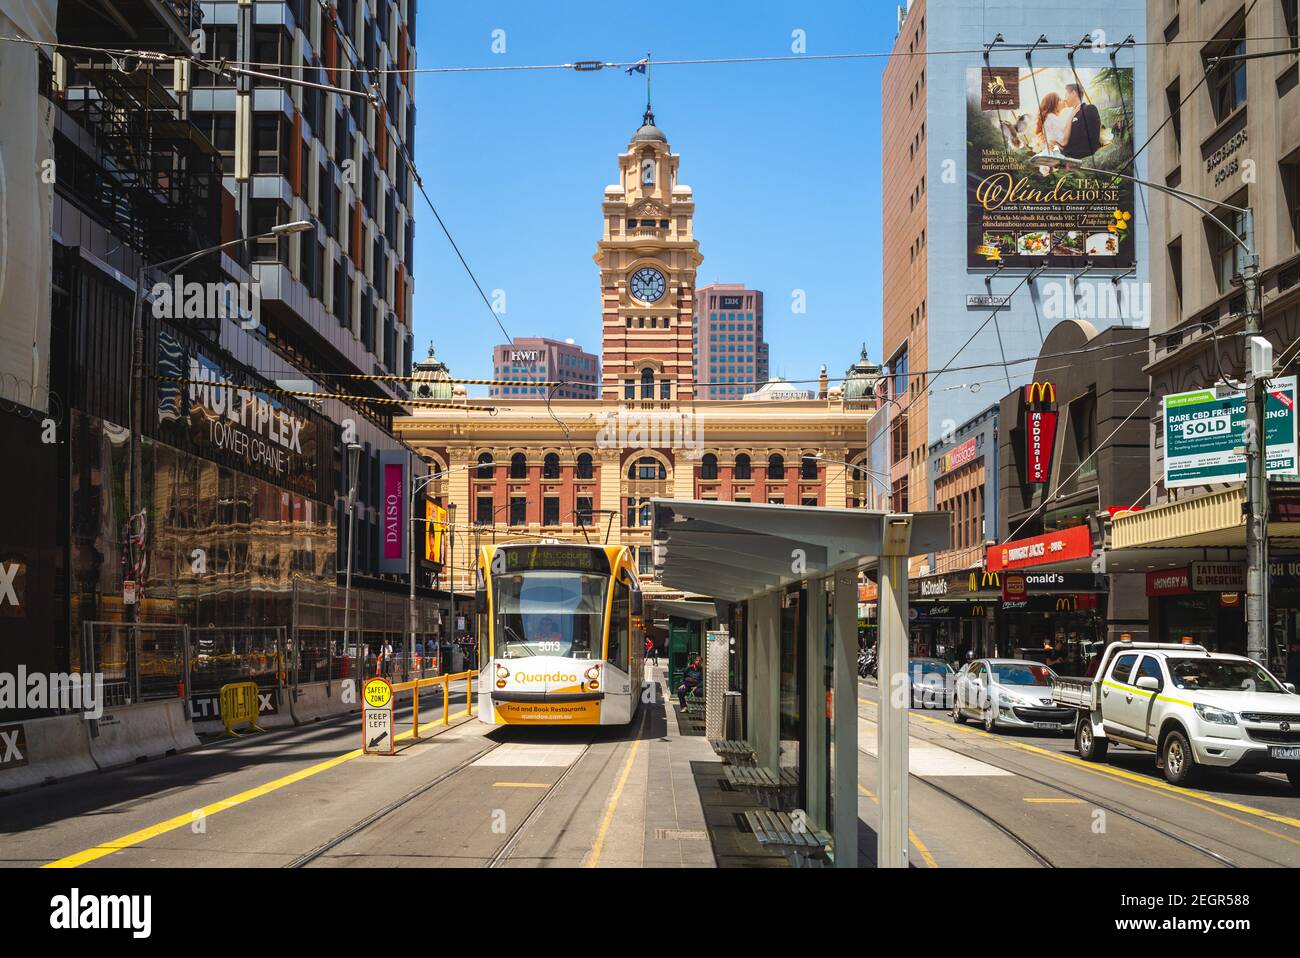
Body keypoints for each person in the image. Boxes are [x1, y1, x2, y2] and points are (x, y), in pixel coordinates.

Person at [1060, 82, 1102, 159]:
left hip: (1079, 154)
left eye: (1066, 95)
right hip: (1067, 153)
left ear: (1073, 93)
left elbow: (1091, 138)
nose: (1064, 99)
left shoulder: (1089, 109)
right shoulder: (1071, 115)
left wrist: (1066, 154)